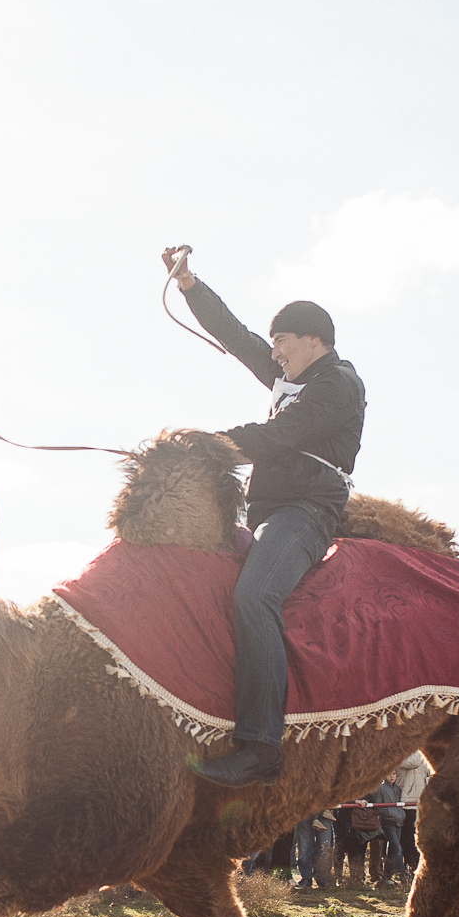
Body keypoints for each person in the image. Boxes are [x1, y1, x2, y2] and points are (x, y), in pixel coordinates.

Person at [167, 247, 365, 787]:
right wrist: (190, 286)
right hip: (263, 513)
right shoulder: (293, 376)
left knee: (254, 596)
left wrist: (209, 444)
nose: (273, 351)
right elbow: (237, 338)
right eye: (274, 341)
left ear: (313, 340)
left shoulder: (338, 384)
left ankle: (260, 747)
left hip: (305, 512)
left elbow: (280, 436)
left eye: (281, 340)